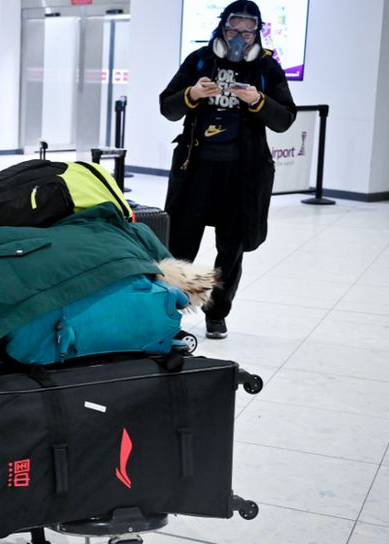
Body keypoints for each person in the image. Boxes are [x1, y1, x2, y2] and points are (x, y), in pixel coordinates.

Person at [160, 0, 295, 339]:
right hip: (196, 170)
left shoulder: (267, 68)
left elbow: (284, 119)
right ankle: (169, 314)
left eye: (248, 30)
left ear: (257, 32)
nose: (240, 36)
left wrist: (257, 101)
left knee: (231, 250)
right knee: (180, 245)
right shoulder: (199, 60)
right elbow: (167, 106)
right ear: (222, 26)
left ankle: (217, 313)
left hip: (242, 176)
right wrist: (191, 93)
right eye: (234, 27)